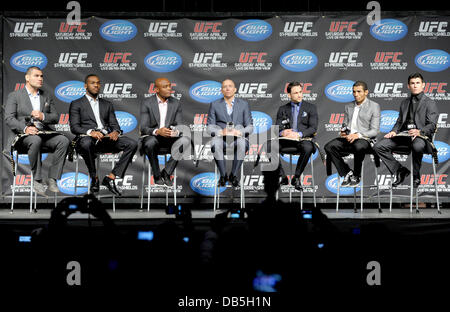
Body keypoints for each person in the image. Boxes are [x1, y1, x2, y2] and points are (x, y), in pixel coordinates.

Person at [5, 66, 70, 196]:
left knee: (63, 140)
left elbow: (56, 118)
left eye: (41, 76)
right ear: (27, 78)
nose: (40, 78)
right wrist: (25, 128)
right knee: (35, 139)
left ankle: (52, 178)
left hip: (43, 134)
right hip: (22, 137)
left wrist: (43, 116)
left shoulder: (46, 96)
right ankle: (37, 179)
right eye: (36, 76)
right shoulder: (15, 96)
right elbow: (9, 118)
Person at [69, 74, 138, 196]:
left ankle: (111, 177)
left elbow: (114, 124)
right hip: (87, 140)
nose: (96, 85)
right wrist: (91, 132)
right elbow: (74, 127)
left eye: (98, 83)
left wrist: (116, 132)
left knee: (131, 143)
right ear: (86, 86)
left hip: (105, 140)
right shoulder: (76, 103)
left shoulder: (107, 104)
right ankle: (94, 177)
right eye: (92, 83)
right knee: (86, 143)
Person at [373, 73, 438, 188]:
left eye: (418, 83)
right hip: (404, 136)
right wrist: (394, 131)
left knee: (417, 146)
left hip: (421, 137)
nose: (415, 85)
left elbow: (432, 125)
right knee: (379, 146)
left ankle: (416, 176)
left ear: (423, 85)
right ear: (408, 86)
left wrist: (419, 132)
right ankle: (400, 170)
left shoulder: (430, 103)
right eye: (412, 83)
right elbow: (399, 121)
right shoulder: (404, 102)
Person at [324, 81, 380, 187]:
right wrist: (343, 132)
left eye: (359, 91)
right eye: (354, 91)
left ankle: (356, 175)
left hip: (365, 140)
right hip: (349, 139)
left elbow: (375, 130)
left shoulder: (374, 106)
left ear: (366, 92)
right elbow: (345, 125)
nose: (356, 94)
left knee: (358, 145)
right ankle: (347, 173)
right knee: (329, 146)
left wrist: (358, 135)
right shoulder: (348, 106)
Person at [140, 77, 191, 186]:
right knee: (150, 143)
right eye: (165, 87)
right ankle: (157, 174)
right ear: (156, 89)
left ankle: (167, 172)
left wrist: (175, 131)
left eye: (169, 86)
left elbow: (179, 125)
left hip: (169, 139)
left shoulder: (176, 103)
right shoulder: (147, 103)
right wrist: (158, 131)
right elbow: (144, 128)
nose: (169, 89)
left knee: (185, 141)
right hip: (153, 137)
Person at [268, 81, 318, 190]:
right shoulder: (282, 109)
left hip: (303, 139)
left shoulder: (311, 108)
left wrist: (298, 134)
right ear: (289, 95)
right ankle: (283, 177)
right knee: (269, 146)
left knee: (308, 147)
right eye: (296, 93)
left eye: (300, 92)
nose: (299, 95)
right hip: (287, 141)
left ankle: (296, 177)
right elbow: (277, 128)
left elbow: (313, 128)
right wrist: (283, 133)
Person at [207, 79, 253, 187]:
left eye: (230, 86)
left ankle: (233, 175)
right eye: (224, 87)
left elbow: (250, 127)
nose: (227, 88)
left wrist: (240, 132)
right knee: (215, 143)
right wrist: (220, 131)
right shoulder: (214, 104)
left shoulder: (244, 104)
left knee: (242, 144)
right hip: (221, 139)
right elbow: (209, 127)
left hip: (238, 139)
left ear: (235, 89)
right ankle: (223, 176)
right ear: (221, 90)